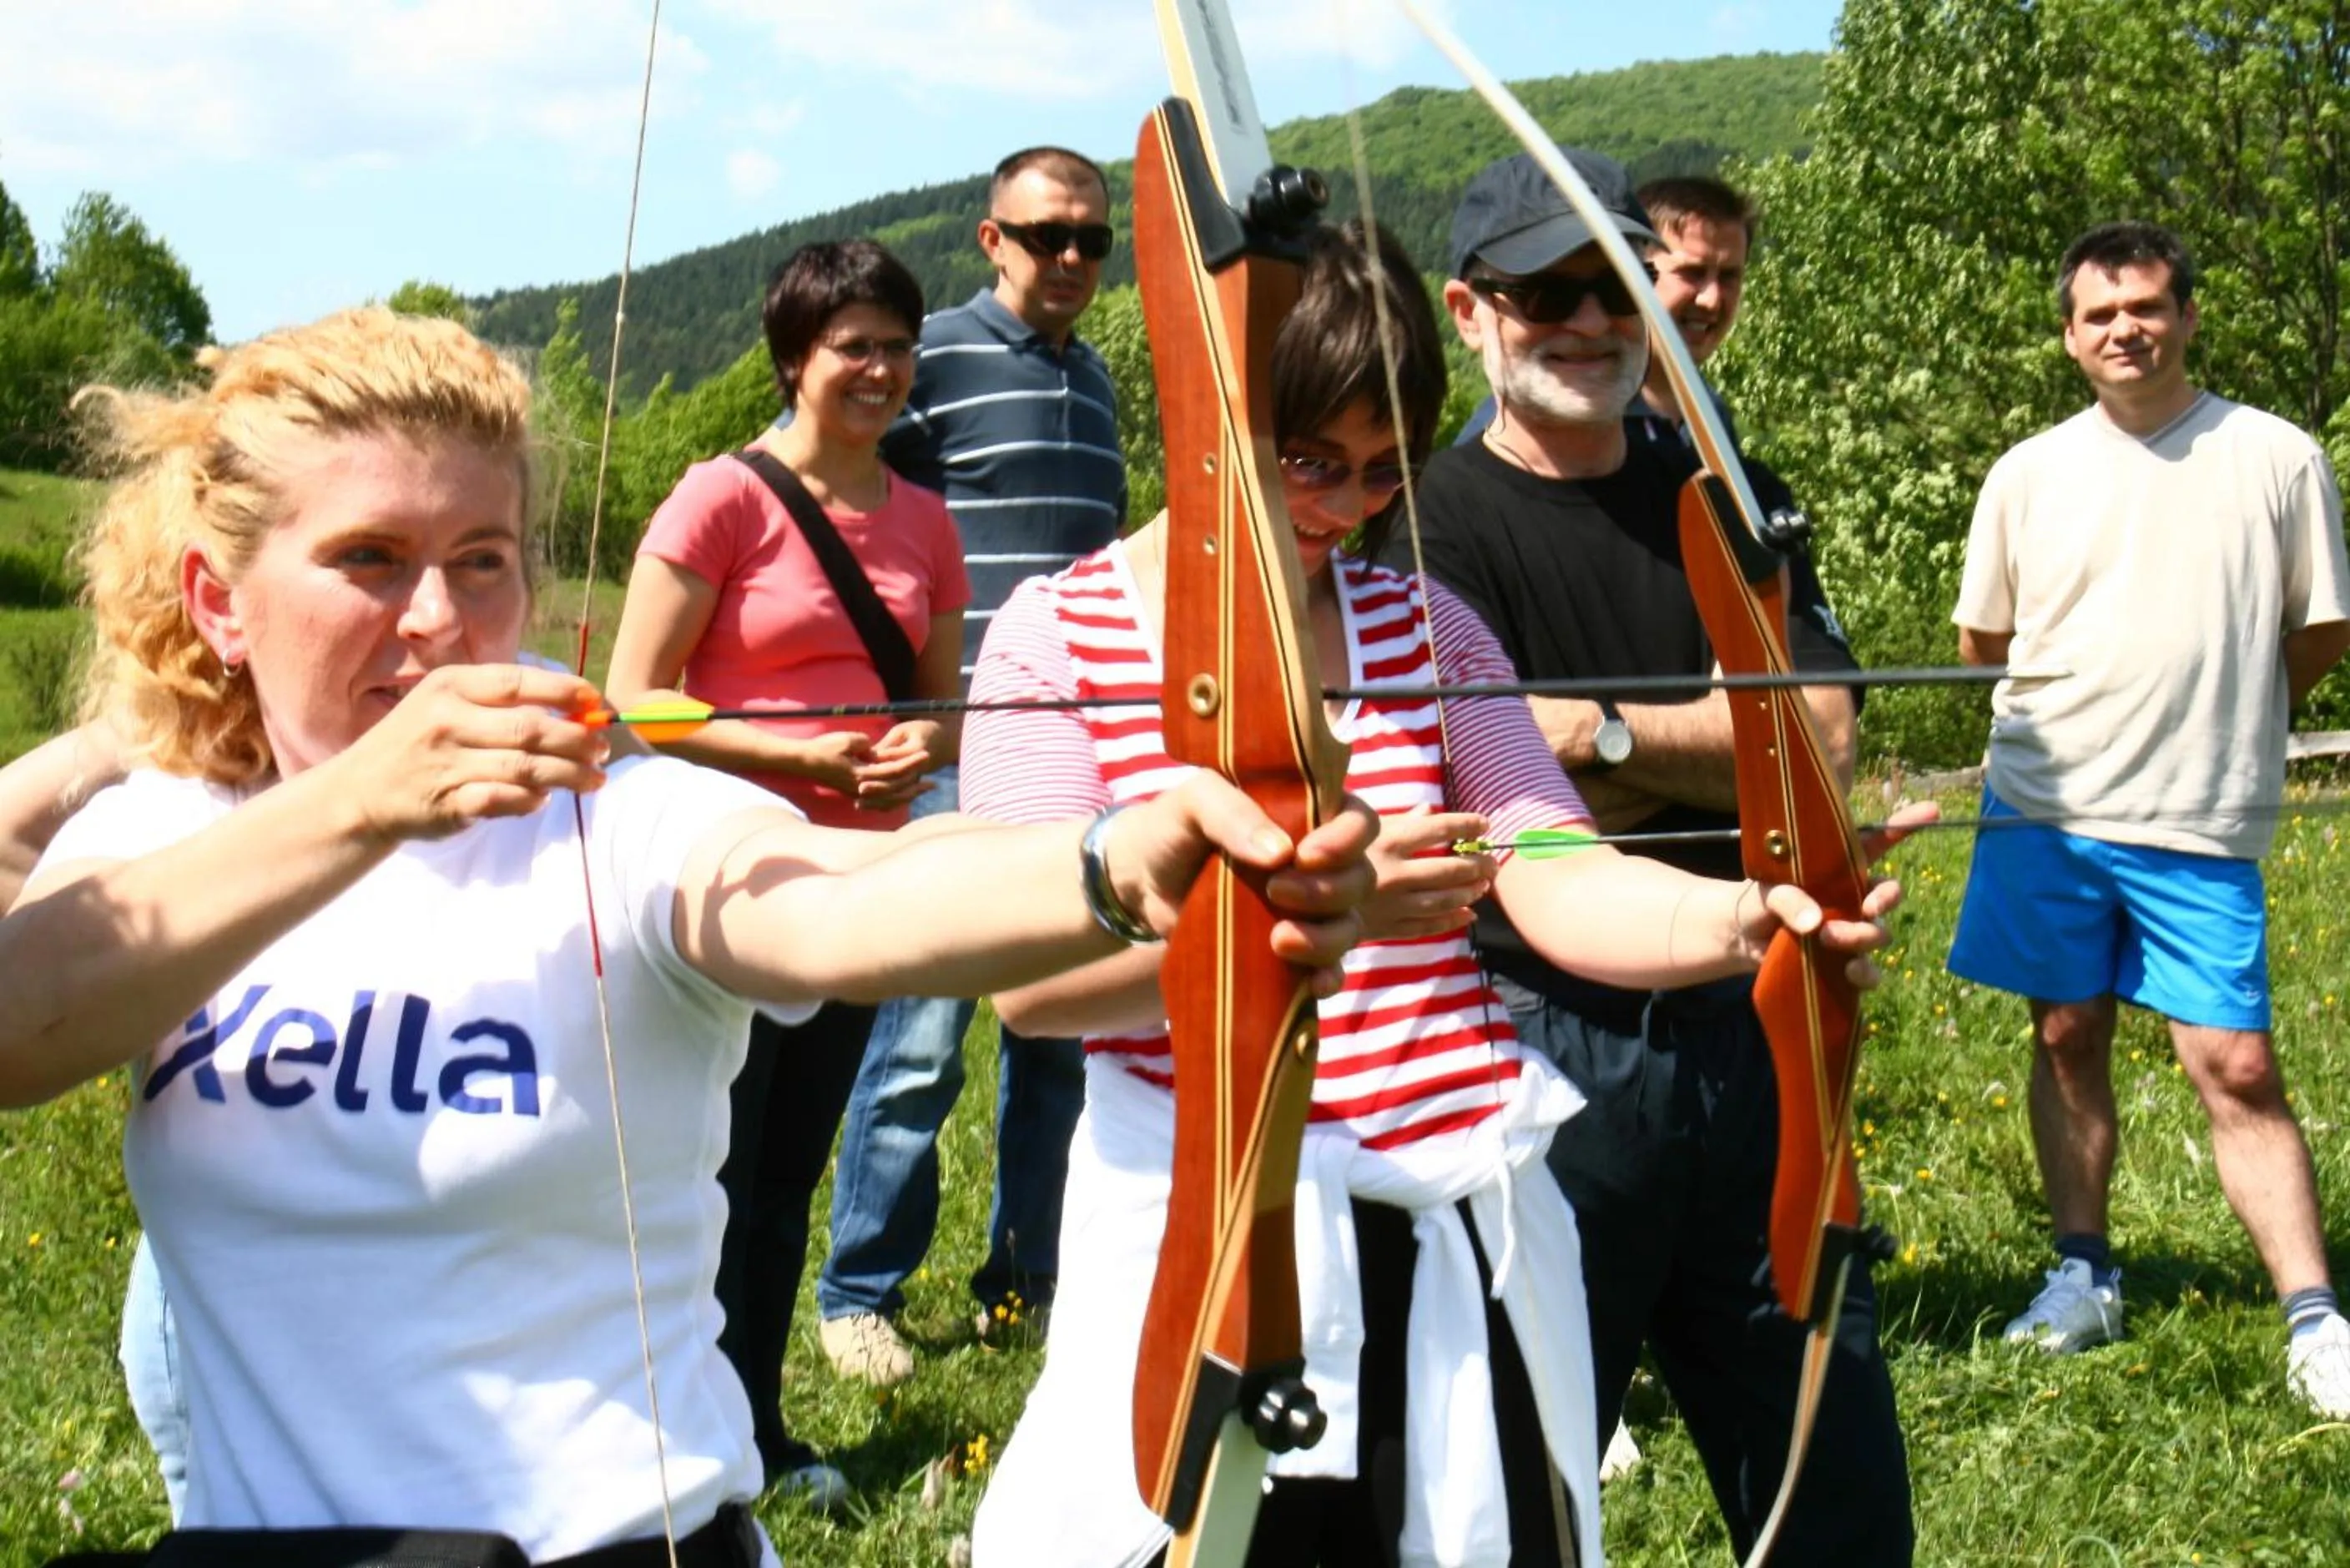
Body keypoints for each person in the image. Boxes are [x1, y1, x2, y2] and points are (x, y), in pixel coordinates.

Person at [2, 306, 1375, 1567]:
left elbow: (835, 896)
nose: (437, 621)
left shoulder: (611, 806)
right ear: (217, 597)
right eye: (368, 559)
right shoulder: (163, 828)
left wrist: (1110, 857)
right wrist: (356, 804)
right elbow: (26, 1019)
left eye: (482, 562)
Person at [960, 219, 1909, 1568]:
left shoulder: (1425, 625)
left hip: (1457, 1205)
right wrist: (1308, 922)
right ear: (1209, 417)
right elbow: (1037, 981)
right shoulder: (1055, 635)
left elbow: (1555, 868)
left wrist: (1749, 919)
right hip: (1208, 1218)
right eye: (1307, 461)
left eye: (1373, 470)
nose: (1342, 507)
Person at [1386, 147, 1915, 1564]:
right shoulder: (1419, 521)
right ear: (1466, 309)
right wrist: (1702, 737)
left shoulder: (1725, 486)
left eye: (1618, 285)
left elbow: (1821, 738)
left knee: (1836, 1481)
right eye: (1544, 291)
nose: (1590, 321)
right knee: (1515, 1496)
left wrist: (1592, 731)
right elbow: (1484, 789)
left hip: (1762, 1027)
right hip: (1530, 1038)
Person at [1949, 220, 2350, 1413]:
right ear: (2069, 337)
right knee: (2066, 1033)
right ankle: (2084, 1273)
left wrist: (2217, 722)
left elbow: (2317, 632)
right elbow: (1984, 641)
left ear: (2185, 317)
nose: (2126, 328)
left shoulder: (2275, 456)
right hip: (2046, 806)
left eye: (2148, 306)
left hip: (2200, 812)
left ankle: (2316, 1318)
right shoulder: (2028, 470)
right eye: (2099, 314)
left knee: (2236, 1059)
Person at [602, 238, 967, 1496]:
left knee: (785, 1177)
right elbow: (635, 699)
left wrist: (925, 740)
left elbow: (944, 705)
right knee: (704, 1173)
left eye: (898, 344)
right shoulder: (722, 496)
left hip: (852, 895)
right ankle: (671, 1440)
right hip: (726, 885)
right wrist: (799, 760)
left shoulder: (925, 518)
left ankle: (754, 1432)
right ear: (794, 357)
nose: (880, 367)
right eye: (853, 343)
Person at [818, 146, 1127, 1384]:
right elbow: (827, 495)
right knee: (923, 1034)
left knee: (1065, 1030)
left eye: (1093, 242)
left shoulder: (1097, 380)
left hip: (1084, 740)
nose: (1069, 261)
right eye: (1045, 236)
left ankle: (1028, 1277)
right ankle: (858, 1292)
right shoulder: (925, 356)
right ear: (990, 239)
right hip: (953, 741)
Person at [1456, 172, 1753, 458]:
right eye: (1692, 273)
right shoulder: (1550, 423)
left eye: (1729, 277)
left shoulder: (1708, 412)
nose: (1711, 299)